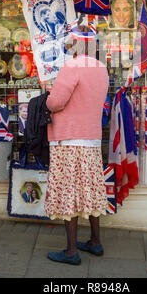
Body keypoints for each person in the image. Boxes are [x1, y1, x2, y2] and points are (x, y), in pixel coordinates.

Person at [44, 25, 109, 266]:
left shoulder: (72, 67)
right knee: (90, 189)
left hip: (69, 139)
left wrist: (47, 96)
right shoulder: (101, 68)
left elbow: (55, 103)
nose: (68, 48)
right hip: (91, 139)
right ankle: (95, 241)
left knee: (68, 191)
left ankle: (71, 250)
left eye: (70, 44)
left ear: (75, 44)